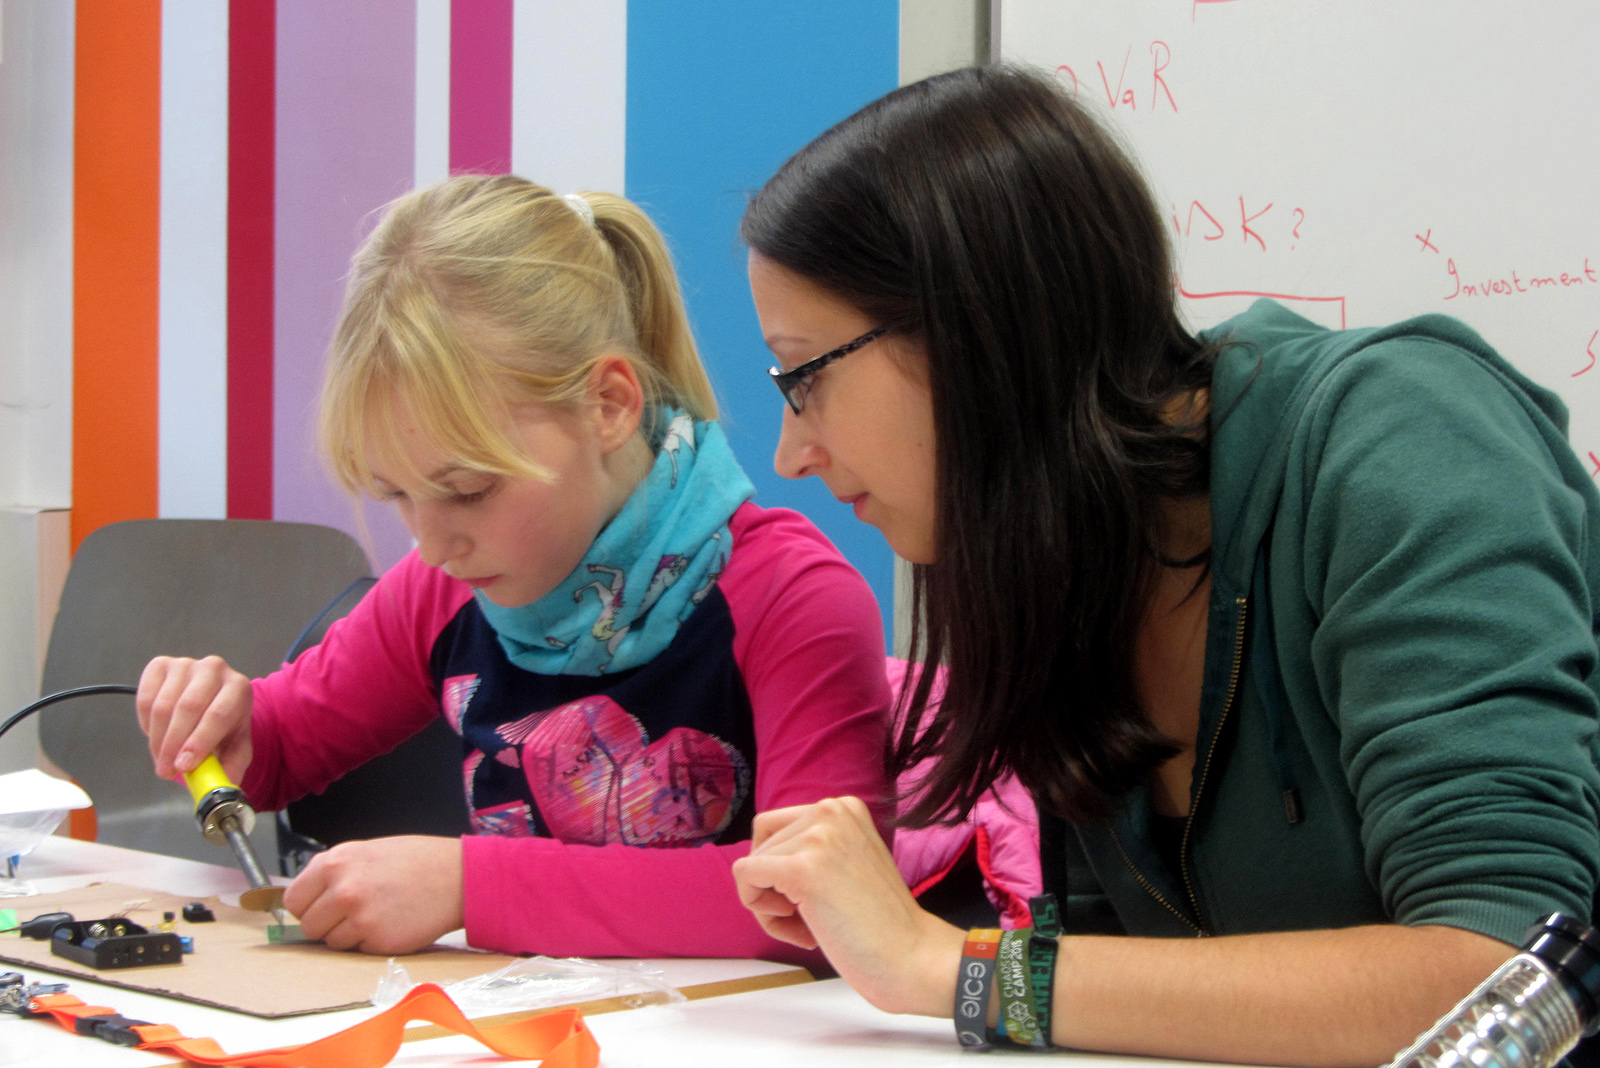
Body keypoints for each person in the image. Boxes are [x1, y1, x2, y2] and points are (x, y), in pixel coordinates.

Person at [730, 65, 1600, 1065]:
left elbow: (1503, 976)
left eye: (802, 377)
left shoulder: (1397, 439)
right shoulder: (1067, 556)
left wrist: (956, 969)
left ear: (977, 329)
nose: (790, 454)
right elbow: (1122, 996)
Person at [135, 174, 891, 961]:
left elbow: (822, 905)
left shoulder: (792, 599)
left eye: (469, 490)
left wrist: (471, 886)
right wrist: (222, 722)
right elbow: (280, 753)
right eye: (398, 494)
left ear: (607, 406)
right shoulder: (441, 590)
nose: (431, 546)